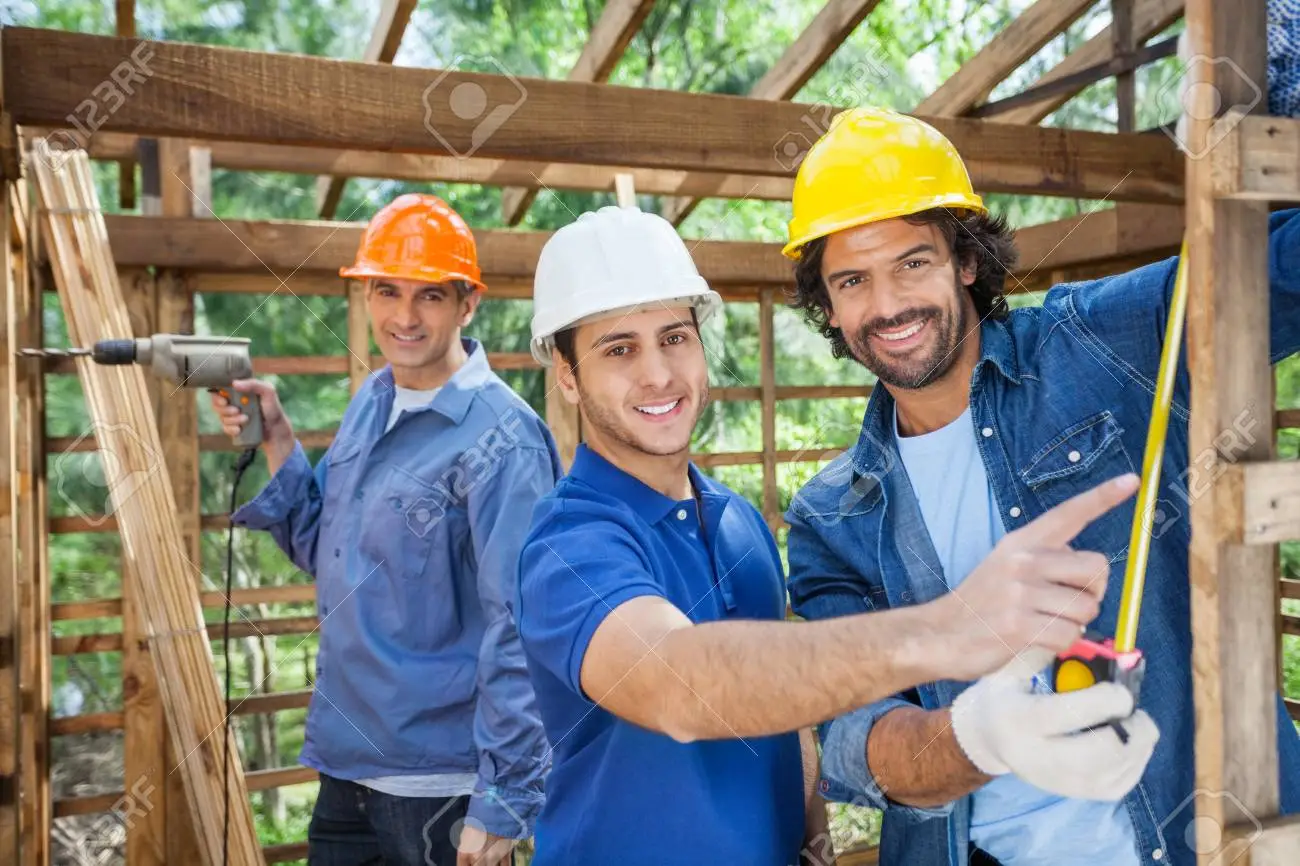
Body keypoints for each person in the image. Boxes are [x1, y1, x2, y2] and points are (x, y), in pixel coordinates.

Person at [513, 204, 1152, 866]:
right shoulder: (569, 543)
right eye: (619, 349)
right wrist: (944, 630)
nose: (657, 374)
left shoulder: (734, 519)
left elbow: (786, 701)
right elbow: (681, 687)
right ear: (566, 374)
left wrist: (813, 836)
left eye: (674, 337)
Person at [782, 107, 1300, 866]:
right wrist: (977, 739)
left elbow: (1278, 275)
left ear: (965, 261)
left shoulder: (1095, 343)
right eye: (852, 280)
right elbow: (855, 737)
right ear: (827, 306)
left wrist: (1282, 111)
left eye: (912, 263)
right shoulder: (834, 517)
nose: (887, 305)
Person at [213, 194, 560, 866]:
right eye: (386, 291)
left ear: (468, 303)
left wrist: (505, 800)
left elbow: (521, 627)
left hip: (441, 790)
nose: (404, 316)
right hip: (345, 769)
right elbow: (332, 554)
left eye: (429, 295)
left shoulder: (503, 438)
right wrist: (280, 438)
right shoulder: (370, 402)